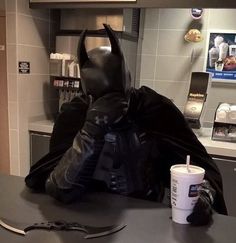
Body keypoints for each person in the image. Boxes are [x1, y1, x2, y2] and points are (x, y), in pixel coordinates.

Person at [25, 24, 227, 226]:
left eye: (117, 98)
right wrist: (92, 129)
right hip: (84, 215)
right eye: (102, 99)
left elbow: (201, 168)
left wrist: (202, 194)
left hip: (148, 217)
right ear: (89, 95)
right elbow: (59, 186)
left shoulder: (154, 108)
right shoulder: (75, 114)